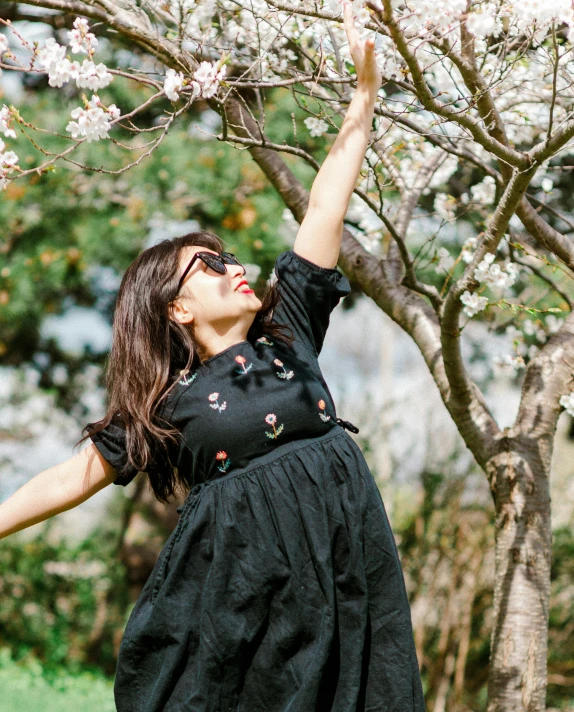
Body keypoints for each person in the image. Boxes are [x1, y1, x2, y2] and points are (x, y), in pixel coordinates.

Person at [0, 3, 426, 710]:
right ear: (178, 310)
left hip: (345, 567)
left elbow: (323, 206)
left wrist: (363, 96)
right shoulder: (167, 407)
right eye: (208, 265)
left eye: (228, 256)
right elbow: (66, 480)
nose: (232, 266)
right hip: (244, 591)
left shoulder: (287, 336)